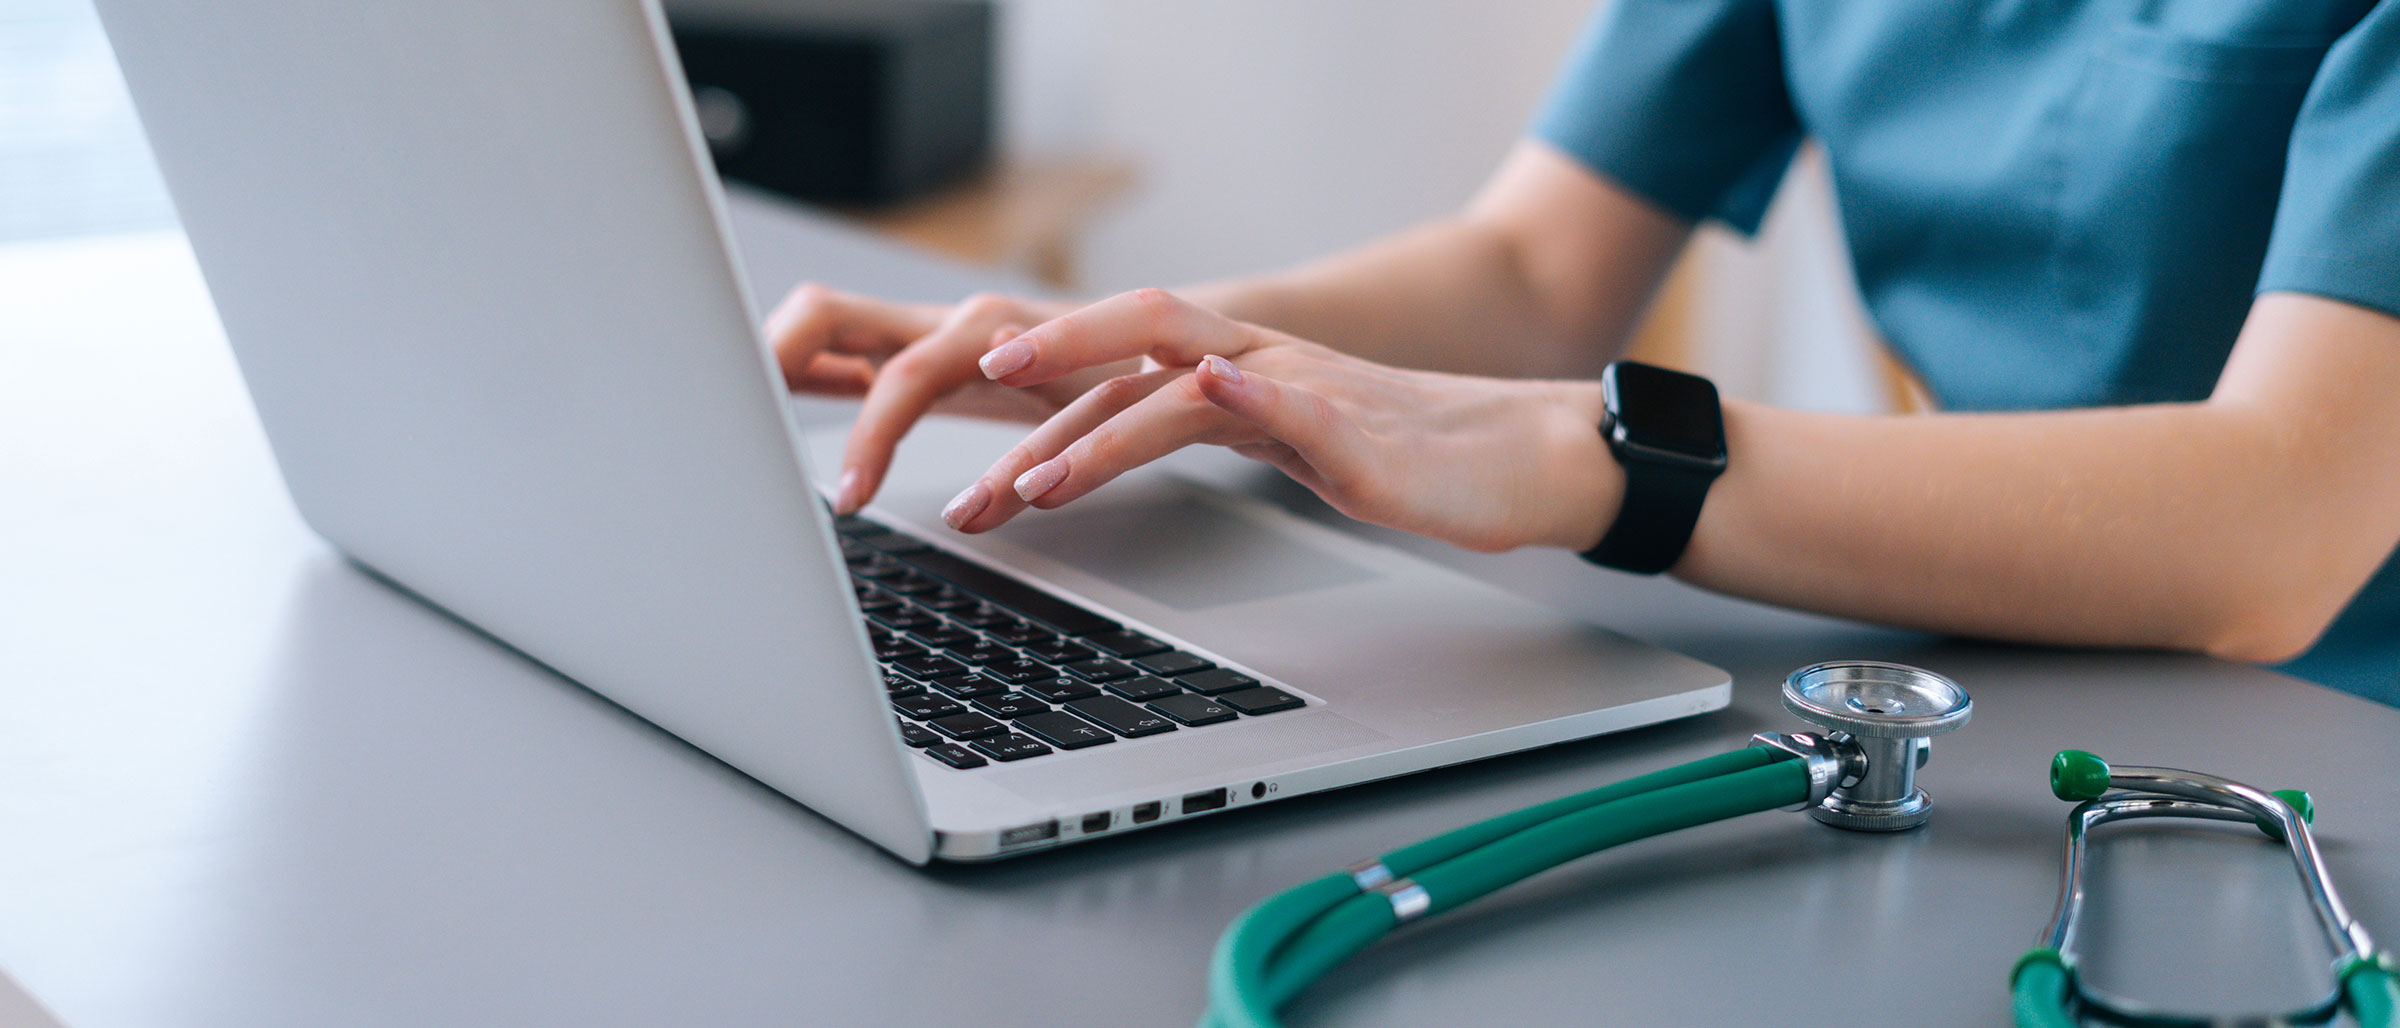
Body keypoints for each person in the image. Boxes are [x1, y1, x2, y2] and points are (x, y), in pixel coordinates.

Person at [763, 1, 2400, 706]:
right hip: (2004, 658)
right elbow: (1533, 268)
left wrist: (1587, 455)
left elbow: (2278, 532)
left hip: (2334, 728)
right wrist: (1164, 355)